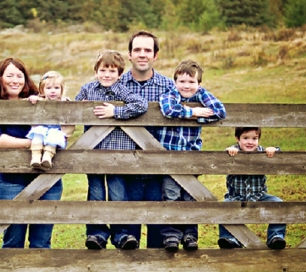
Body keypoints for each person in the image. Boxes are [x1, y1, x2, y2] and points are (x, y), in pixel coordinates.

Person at [0, 57, 63, 248]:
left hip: (47, 179)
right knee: (12, 242)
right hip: (12, 180)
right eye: (10, 75)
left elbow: (63, 111)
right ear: (0, 78)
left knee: (42, 243)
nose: (15, 80)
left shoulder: (39, 98)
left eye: (20, 76)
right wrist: (33, 142)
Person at [75, 50, 148, 250]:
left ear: (119, 73)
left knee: (118, 194)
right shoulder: (88, 89)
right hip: (94, 152)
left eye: (112, 71)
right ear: (96, 70)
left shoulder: (122, 89)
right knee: (96, 193)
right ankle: (96, 233)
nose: (107, 75)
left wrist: (115, 111)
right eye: (103, 70)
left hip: (119, 154)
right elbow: (72, 107)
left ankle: (121, 234)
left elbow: (141, 105)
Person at [158, 59, 227, 251]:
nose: (186, 86)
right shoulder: (169, 94)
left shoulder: (202, 94)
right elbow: (169, 110)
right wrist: (193, 112)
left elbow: (220, 112)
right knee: (171, 196)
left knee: (190, 196)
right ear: (175, 82)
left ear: (199, 84)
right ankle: (171, 234)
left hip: (192, 159)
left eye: (191, 82)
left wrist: (199, 116)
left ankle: (190, 235)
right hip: (170, 158)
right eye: (182, 81)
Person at [119, 30, 177, 248]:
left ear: (156, 56)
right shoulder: (117, 85)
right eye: (137, 50)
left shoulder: (169, 86)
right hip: (125, 168)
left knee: (159, 236)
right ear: (129, 55)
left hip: (159, 169)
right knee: (128, 235)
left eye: (147, 50)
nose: (142, 54)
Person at [217, 127, 287, 250]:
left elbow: (278, 153)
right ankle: (230, 238)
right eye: (245, 138)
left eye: (254, 138)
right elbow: (222, 157)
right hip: (235, 197)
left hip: (259, 196)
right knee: (225, 207)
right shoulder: (233, 151)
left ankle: (276, 236)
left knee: (278, 204)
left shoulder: (261, 152)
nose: (250, 142)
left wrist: (273, 149)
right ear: (237, 139)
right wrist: (228, 151)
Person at [26, 71, 75, 170]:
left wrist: (66, 103)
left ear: (61, 90)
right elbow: (30, 107)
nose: (53, 91)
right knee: (37, 135)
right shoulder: (40, 101)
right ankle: (36, 157)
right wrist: (32, 99)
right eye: (48, 88)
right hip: (42, 129)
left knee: (53, 137)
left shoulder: (64, 102)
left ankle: (47, 157)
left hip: (56, 131)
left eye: (56, 88)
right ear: (42, 90)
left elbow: (70, 117)